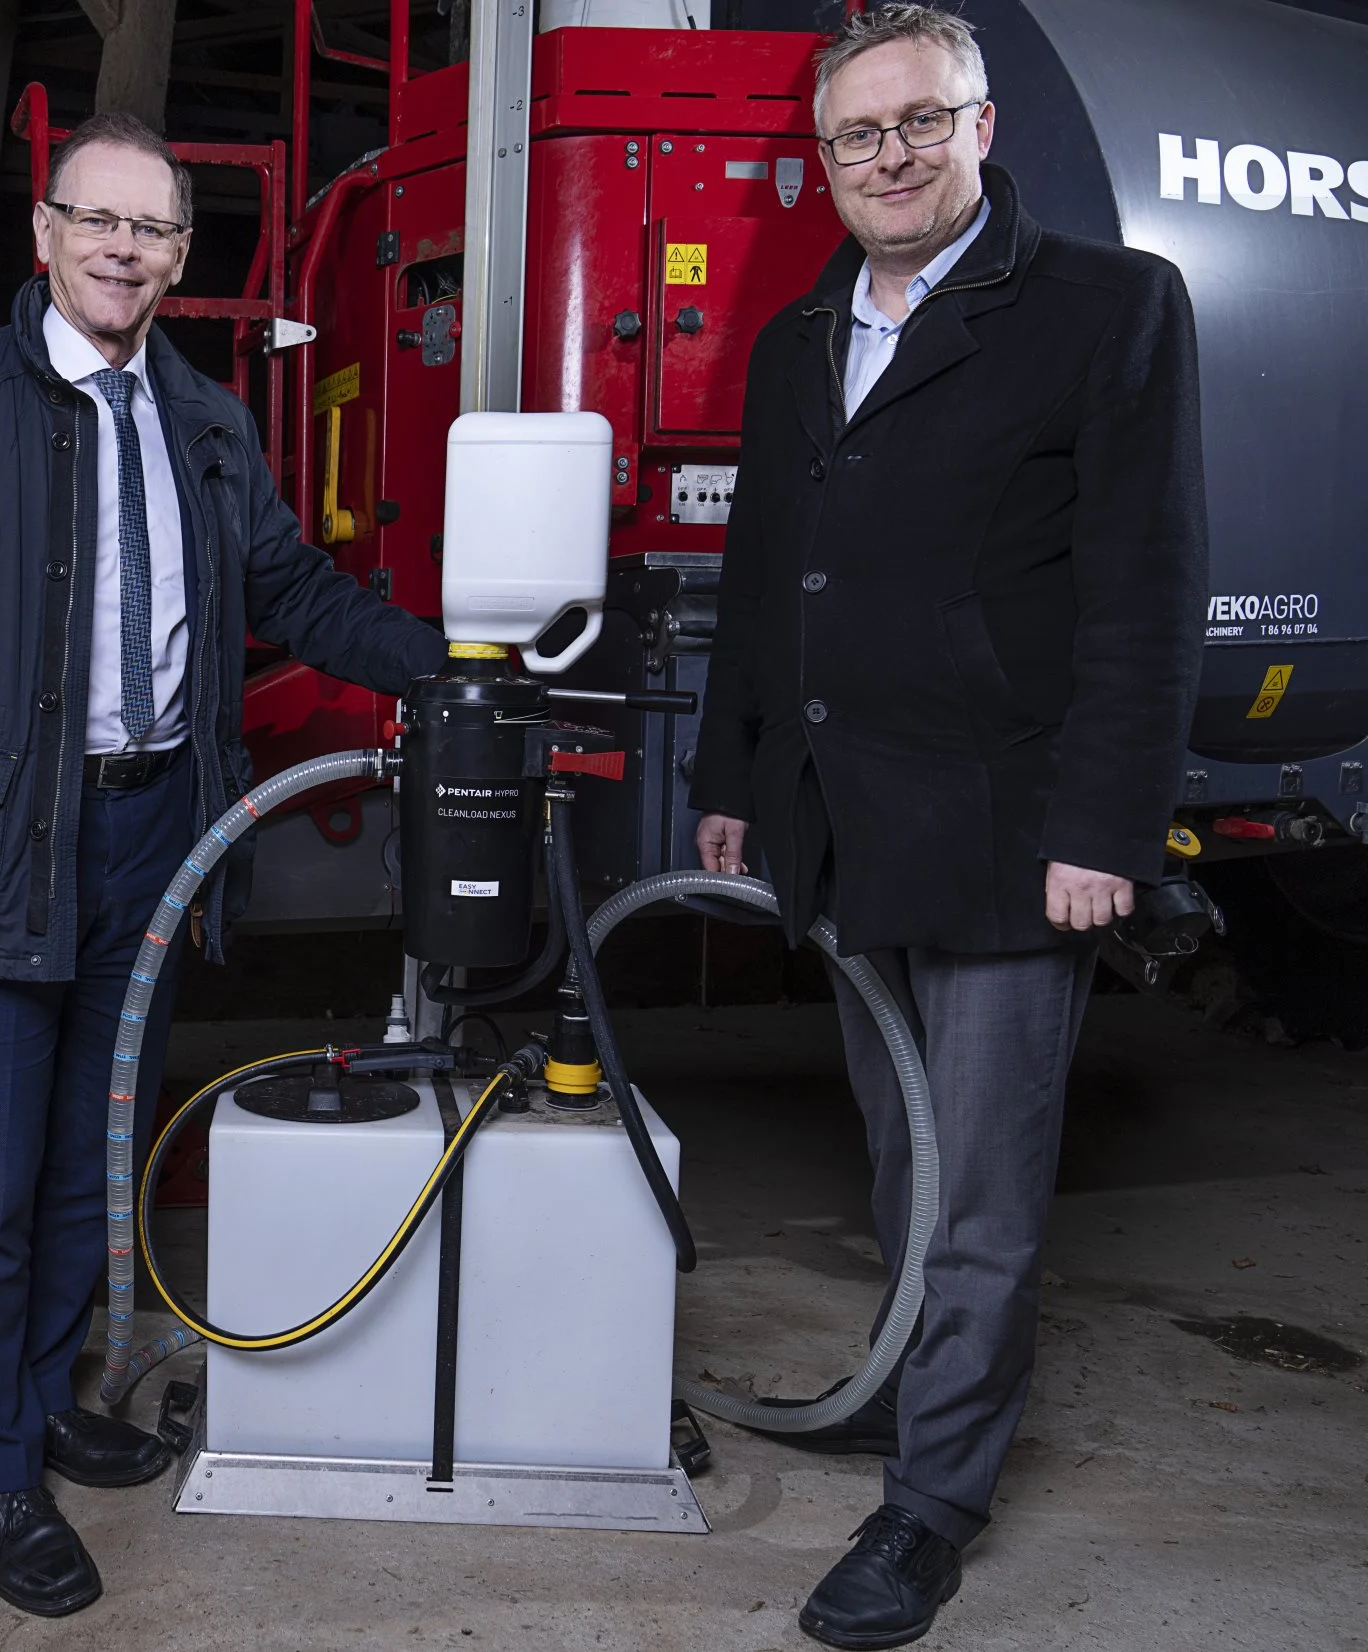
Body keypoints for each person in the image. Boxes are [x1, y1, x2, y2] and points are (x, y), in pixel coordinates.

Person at [0, 111, 447, 1617]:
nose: (122, 248)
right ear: (44, 236)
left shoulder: (209, 423)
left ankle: (40, 1402)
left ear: (178, 257)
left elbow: (286, 586)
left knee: (94, 1169)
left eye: (152, 229)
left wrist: (444, 659)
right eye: (96, 221)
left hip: (158, 831)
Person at [687, 6, 1205, 1647]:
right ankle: (913, 1401)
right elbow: (763, 583)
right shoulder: (795, 340)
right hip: (846, 823)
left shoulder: (1107, 310)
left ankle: (932, 1508)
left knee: (981, 1196)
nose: (890, 157)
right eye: (857, 136)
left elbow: (1146, 592)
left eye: (921, 123)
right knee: (904, 1159)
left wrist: (1103, 826)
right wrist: (728, 777)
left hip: (1007, 831)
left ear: (984, 129)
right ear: (824, 161)